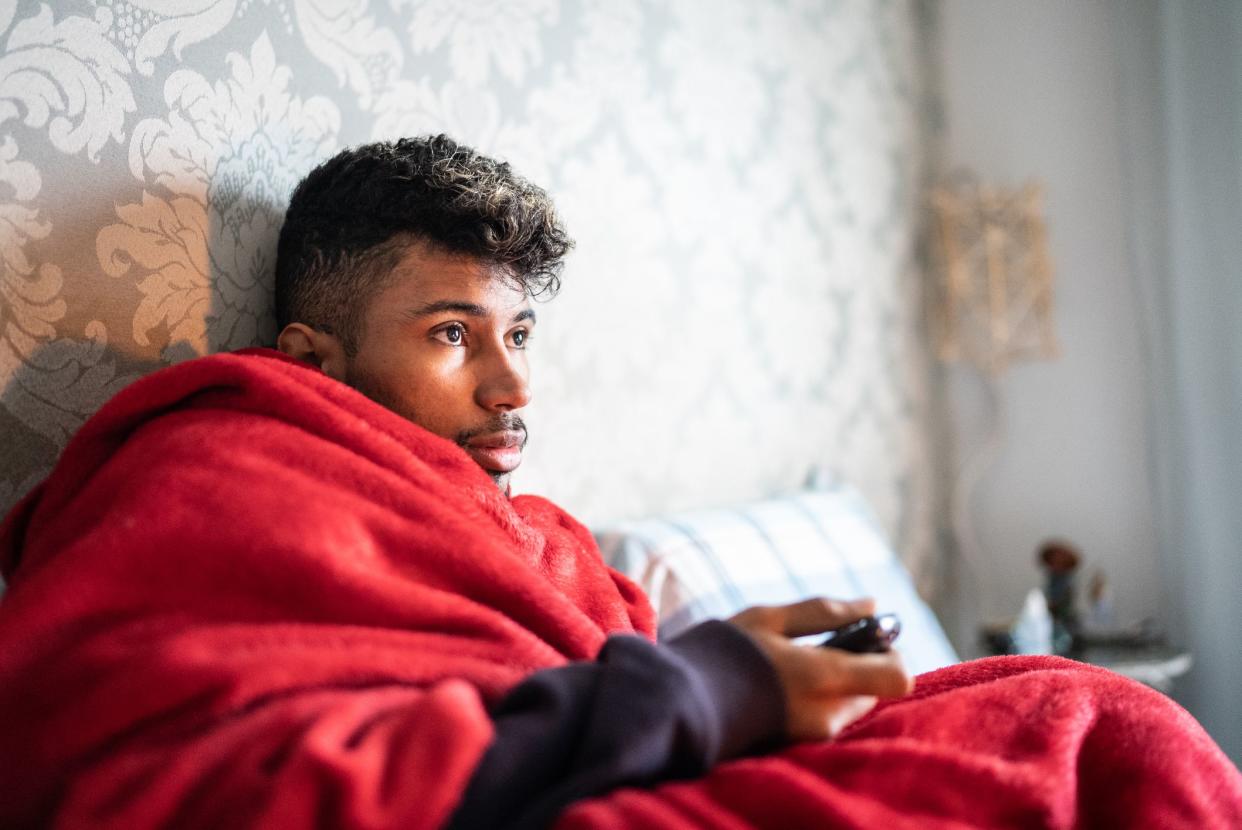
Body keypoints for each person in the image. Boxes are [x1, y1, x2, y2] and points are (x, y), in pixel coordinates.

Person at [1, 135, 1239, 830]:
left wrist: (738, 668)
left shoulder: (548, 538)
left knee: (1050, 693)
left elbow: (600, 676)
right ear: (309, 356)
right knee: (1092, 734)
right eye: (450, 334)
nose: (512, 388)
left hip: (623, 763)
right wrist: (712, 683)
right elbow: (175, 788)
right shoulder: (221, 462)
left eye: (519, 335)